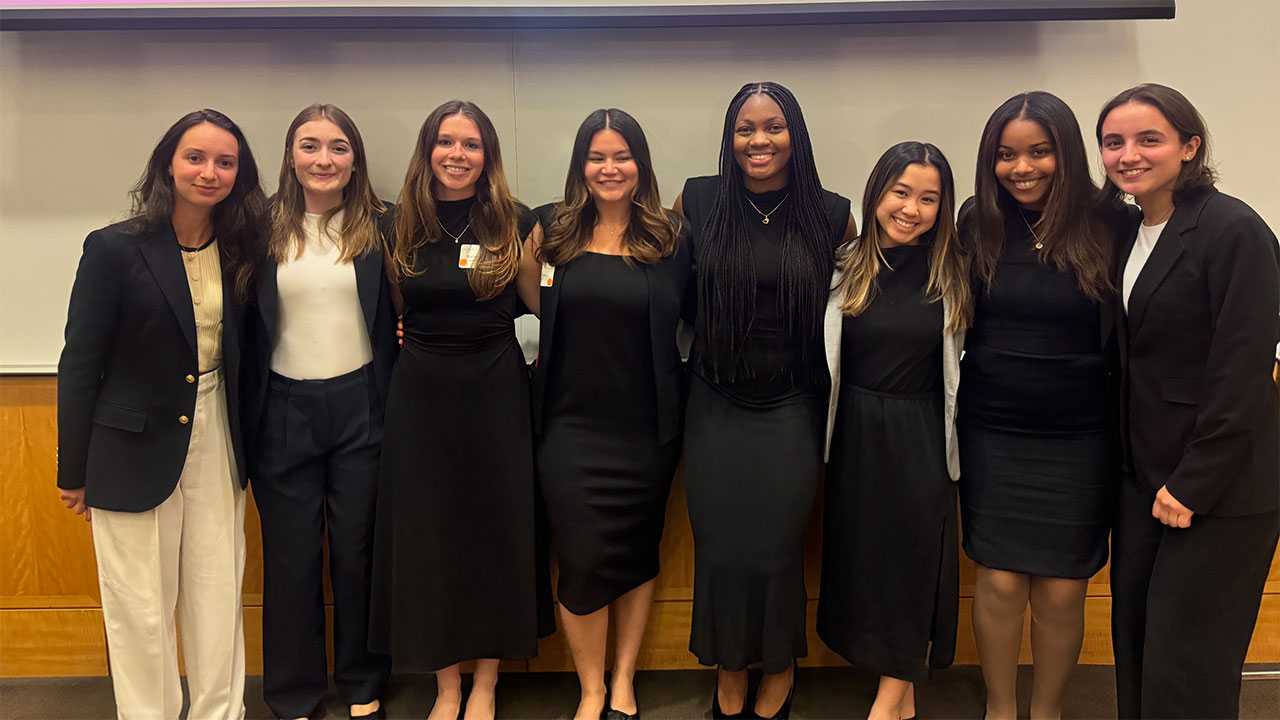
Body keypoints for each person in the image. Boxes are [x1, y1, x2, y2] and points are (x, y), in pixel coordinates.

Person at [56, 109, 266, 720]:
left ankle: (219, 713)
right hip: (128, 447)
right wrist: (75, 469)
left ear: (239, 174)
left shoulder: (244, 249)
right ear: (167, 165)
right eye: (195, 158)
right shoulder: (114, 247)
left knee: (216, 591)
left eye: (225, 162)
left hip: (217, 431)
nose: (209, 172)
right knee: (140, 605)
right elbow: (80, 363)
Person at [1097, 83, 1280, 720]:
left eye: (1149, 139)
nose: (1128, 155)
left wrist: (1194, 483)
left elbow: (1244, 371)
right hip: (1144, 479)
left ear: (1189, 146)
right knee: (1139, 648)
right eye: (1113, 142)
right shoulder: (1128, 229)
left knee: (1191, 664)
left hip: (1217, 489)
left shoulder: (1233, 230)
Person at [674, 81, 856, 720]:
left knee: (777, 548)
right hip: (715, 401)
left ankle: (778, 666)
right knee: (720, 548)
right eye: (745, 128)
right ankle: (730, 670)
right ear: (730, 138)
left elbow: (852, 309)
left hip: (791, 406)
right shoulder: (697, 200)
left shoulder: (832, 214)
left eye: (773, 126)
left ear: (795, 134)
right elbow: (668, 292)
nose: (759, 140)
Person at [368, 100, 552, 720]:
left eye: (471, 144)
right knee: (429, 537)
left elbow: (541, 303)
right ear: (428, 149)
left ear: (487, 155)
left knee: (495, 532)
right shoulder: (396, 224)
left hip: (496, 392)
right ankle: (446, 686)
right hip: (421, 395)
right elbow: (397, 307)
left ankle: (486, 684)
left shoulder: (516, 221)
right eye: (446, 141)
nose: (457, 154)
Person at [518, 108, 691, 720]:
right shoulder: (550, 229)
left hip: (646, 430)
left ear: (640, 164)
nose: (609, 168)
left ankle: (623, 681)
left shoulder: (672, 237)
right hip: (568, 426)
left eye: (622, 157)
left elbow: (694, 316)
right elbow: (533, 302)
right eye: (597, 157)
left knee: (636, 554)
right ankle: (591, 689)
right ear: (581, 165)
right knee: (582, 559)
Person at [956, 91, 1119, 720]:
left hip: (1081, 432)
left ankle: (1046, 712)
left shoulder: (1111, 222)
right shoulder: (977, 220)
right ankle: (1000, 710)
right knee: (998, 581)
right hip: (993, 426)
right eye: (1006, 154)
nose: (1021, 168)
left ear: (1067, 153)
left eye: (1039, 151)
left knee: (1062, 588)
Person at [242, 103, 394, 720]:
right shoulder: (258, 228)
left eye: (338, 147)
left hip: (363, 405)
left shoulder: (383, 226)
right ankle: (293, 692)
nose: (323, 159)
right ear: (290, 156)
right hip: (283, 409)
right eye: (310, 146)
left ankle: (362, 680)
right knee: (291, 558)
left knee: (357, 553)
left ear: (355, 160)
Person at [818, 141, 969, 720]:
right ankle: (901, 701)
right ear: (877, 193)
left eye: (928, 198)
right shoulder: (842, 266)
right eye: (901, 192)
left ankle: (886, 706)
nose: (911, 209)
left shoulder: (953, 271)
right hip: (854, 436)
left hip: (920, 436)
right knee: (866, 566)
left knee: (913, 565)